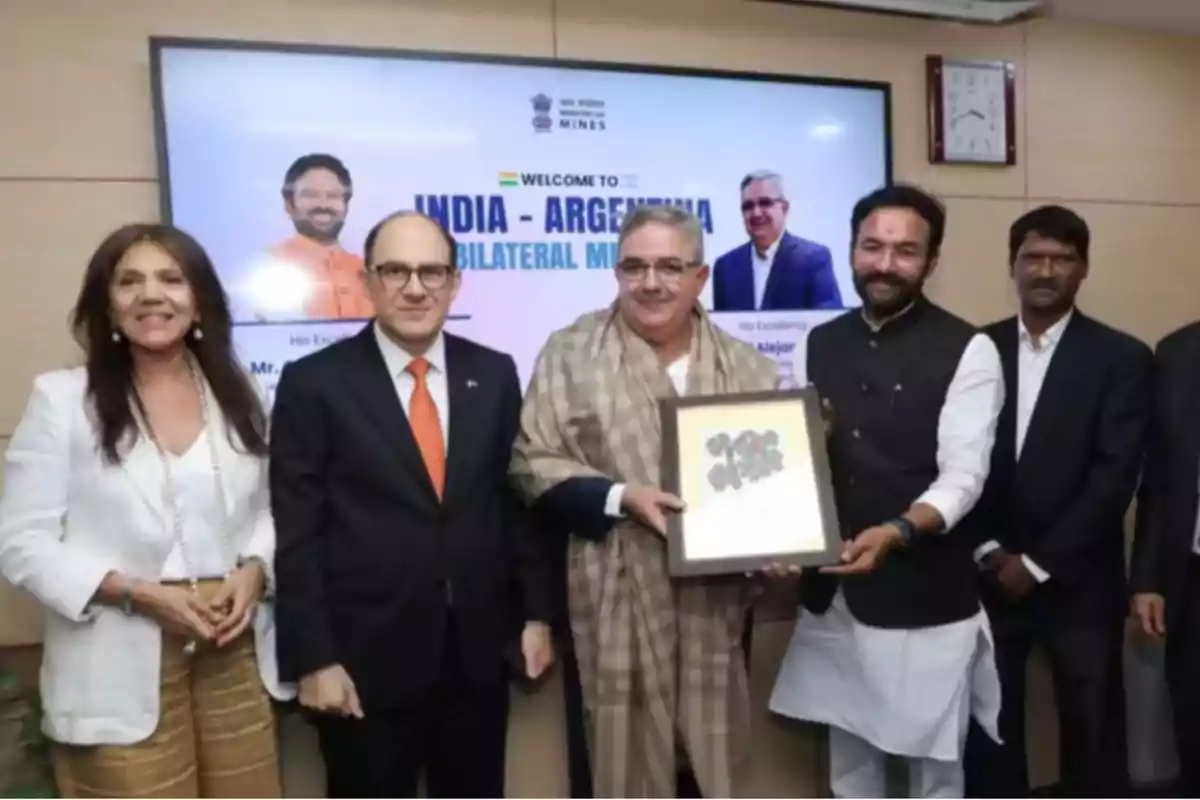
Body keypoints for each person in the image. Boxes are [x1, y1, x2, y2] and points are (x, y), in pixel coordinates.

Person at [0, 223, 292, 797]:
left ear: (199, 299)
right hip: (116, 648)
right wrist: (137, 593)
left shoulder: (242, 395)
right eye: (129, 281)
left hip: (232, 650)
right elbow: (19, 541)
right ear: (107, 307)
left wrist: (257, 569)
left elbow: (275, 507)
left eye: (171, 279)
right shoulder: (62, 400)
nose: (151, 295)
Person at [270, 210, 554, 798]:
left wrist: (535, 614)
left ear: (455, 283)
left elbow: (514, 505)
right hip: (361, 667)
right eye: (395, 270)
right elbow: (297, 533)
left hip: (476, 658)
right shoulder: (313, 383)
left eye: (431, 271)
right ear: (367, 281)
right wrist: (314, 658)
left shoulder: (494, 372)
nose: (415, 287)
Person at [510, 204, 779, 797]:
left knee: (706, 766)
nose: (650, 283)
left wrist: (779, 542)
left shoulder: (748, 367)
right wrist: (621, 496)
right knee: (617, 760)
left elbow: (774, 484)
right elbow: (530, 460)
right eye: (634, 267)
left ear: (700, 278)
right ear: (616, 272)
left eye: (669, 267)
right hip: (613, 594)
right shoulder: (570, 353)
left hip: (717, 602)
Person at [768, 184, 1005, 798]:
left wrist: (899, 530)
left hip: (924, 594)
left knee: (934, 769)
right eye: (872, 246)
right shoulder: (815, 342)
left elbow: (963, 477)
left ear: (930, 260)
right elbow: (797, 460)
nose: (885, 264)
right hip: (837, 593)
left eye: (905, 251)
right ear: (850, 250)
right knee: (850, 762)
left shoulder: (969, 348)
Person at [964, 206, 1149, 797]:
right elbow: (960, 463)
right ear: (1012, 266)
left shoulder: (1121, 358)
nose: (1046, 270)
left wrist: (1038, 564)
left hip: (1080, 583)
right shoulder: (978, 349)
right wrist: (994, 553)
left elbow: (1113, 477)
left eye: (1061, 259)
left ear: (1083, 269)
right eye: (1033, 257)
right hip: (991, 575)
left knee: (1093, 733)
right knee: (990, 730)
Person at [1131, 318, 1200, 796]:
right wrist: (1148, 578)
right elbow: (1157, 477)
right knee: (1193, 714)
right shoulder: (1178, 353)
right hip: (1191, 573)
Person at [247, 153, 372, 321]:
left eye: (333, 195)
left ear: (346, 206)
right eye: (310, 195)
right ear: (289, 205)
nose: (323, 204)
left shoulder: (367, 272)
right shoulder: (267, 265)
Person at [711, 170, 842, 312]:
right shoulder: (725, 267)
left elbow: (828, 320)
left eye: (765, 203)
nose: (756, 213)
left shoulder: (813, 259)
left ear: (784, 208)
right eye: (748, 206)